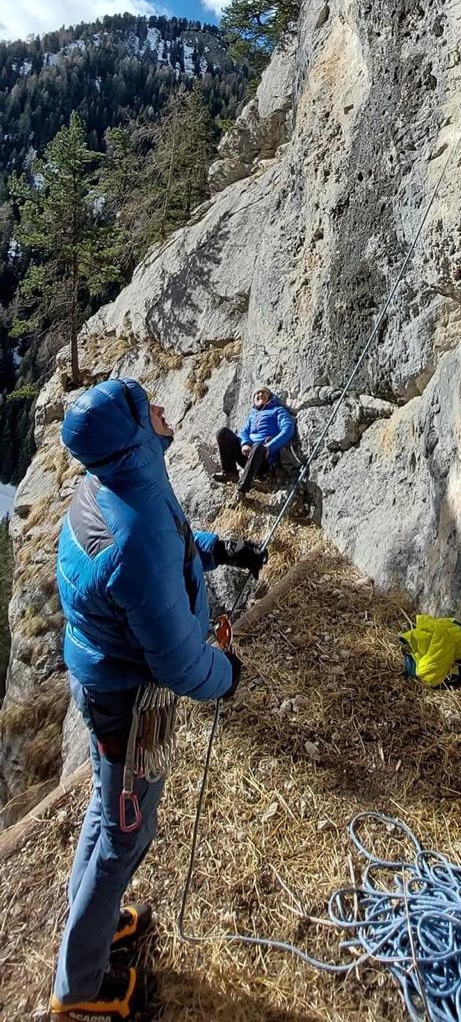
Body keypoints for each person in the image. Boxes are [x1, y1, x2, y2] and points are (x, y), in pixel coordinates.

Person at [50, 377, 267, 1021]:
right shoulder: (135, 533)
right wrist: (226, 673)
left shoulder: (111, 483)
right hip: (131, 699)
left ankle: (94, 920)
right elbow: (178, 662)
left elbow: (161, 536)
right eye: (153, 409)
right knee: (126, 832)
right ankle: (80, 988)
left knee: (106, 809)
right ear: (136, 434)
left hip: (104, 682)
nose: (166, 409)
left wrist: (214, 548)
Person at [215, 384, 296, 493]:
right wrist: (245, 444)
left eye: (263, 392)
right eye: (257, 394)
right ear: (254, 400)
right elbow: (243, 432)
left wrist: (269, 447)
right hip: (247, 455)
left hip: (264, 460)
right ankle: (230, 473)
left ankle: (242, 488)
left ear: (269, 397)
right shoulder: (252, 416)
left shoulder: (277, 410)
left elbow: (288, 429)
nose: (260, 394)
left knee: (258, 446)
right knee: (222, 433)